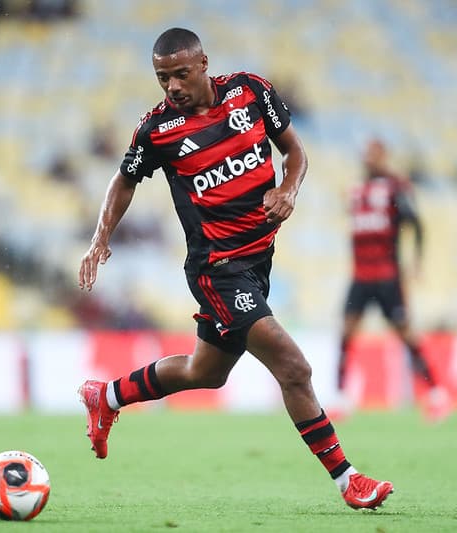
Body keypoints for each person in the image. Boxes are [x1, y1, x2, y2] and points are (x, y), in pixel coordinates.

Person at [76, 28, 393, 511]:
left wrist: (288, 189)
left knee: (206, 372)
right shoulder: (157, 131)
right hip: (217, 269)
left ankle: (107, 397)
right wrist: (100, 238)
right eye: (163, 79)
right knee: (294, 367)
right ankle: (348, 479)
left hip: (257, 262)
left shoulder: (251, 92)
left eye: (181, 74)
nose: (173, 87)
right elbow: (124, 180)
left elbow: (296, 151)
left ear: (203, 64)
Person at [337, 139, 450, 422]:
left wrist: (417, 262)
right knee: (346, 332)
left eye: (374, 154)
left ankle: (436, 394)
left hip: (388, 276)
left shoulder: (395, 189)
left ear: (383, 156)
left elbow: (416, 223)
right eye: (366, 154)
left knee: (406, 334)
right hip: (360, 276)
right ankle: (340, 397)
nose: (369, 159)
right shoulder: (357, 191)